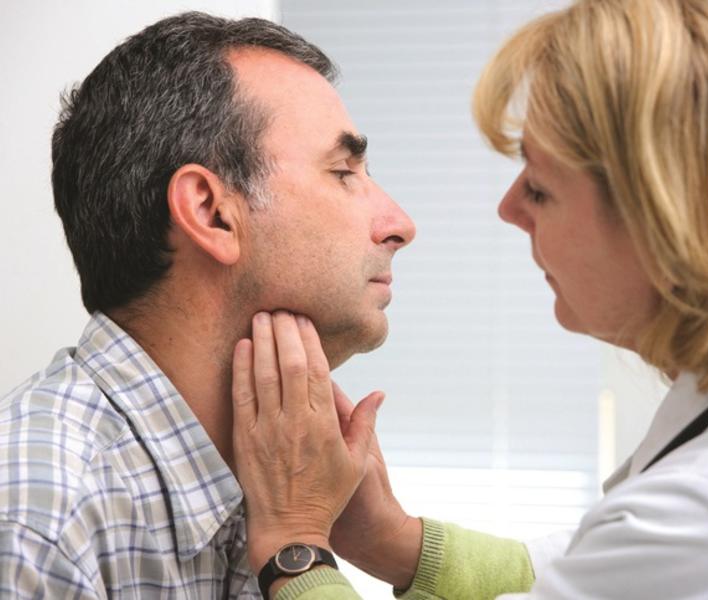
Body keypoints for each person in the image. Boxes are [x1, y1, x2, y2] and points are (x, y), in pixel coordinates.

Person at [231, 0, 708, 598]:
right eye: (343, 172)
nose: (508, 209)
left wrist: (293, 543)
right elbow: (575, 568)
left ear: (666, 220)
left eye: (539, 188)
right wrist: (392, 540)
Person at [0, 12, 414, 598]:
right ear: (212, 212)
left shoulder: (278, 481)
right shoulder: (35, 530)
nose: (401, 225)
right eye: (344, 172)